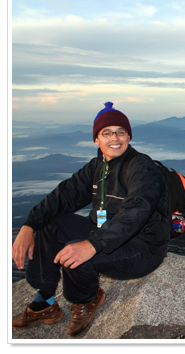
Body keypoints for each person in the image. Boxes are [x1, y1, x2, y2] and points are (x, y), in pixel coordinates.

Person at [12, 102, 170, 337]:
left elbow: (137, 210)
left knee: (76, 254)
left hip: (142, 249)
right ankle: (44, 300)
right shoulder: (98, 166)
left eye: (120, 132)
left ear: (129, 136)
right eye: (106, 133)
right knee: (50, 224)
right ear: (96, 139)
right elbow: (63, 195)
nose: (114, 138)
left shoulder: (141, 168)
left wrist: (92, 245)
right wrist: (29, 224)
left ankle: (85, 299)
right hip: (106, 235)